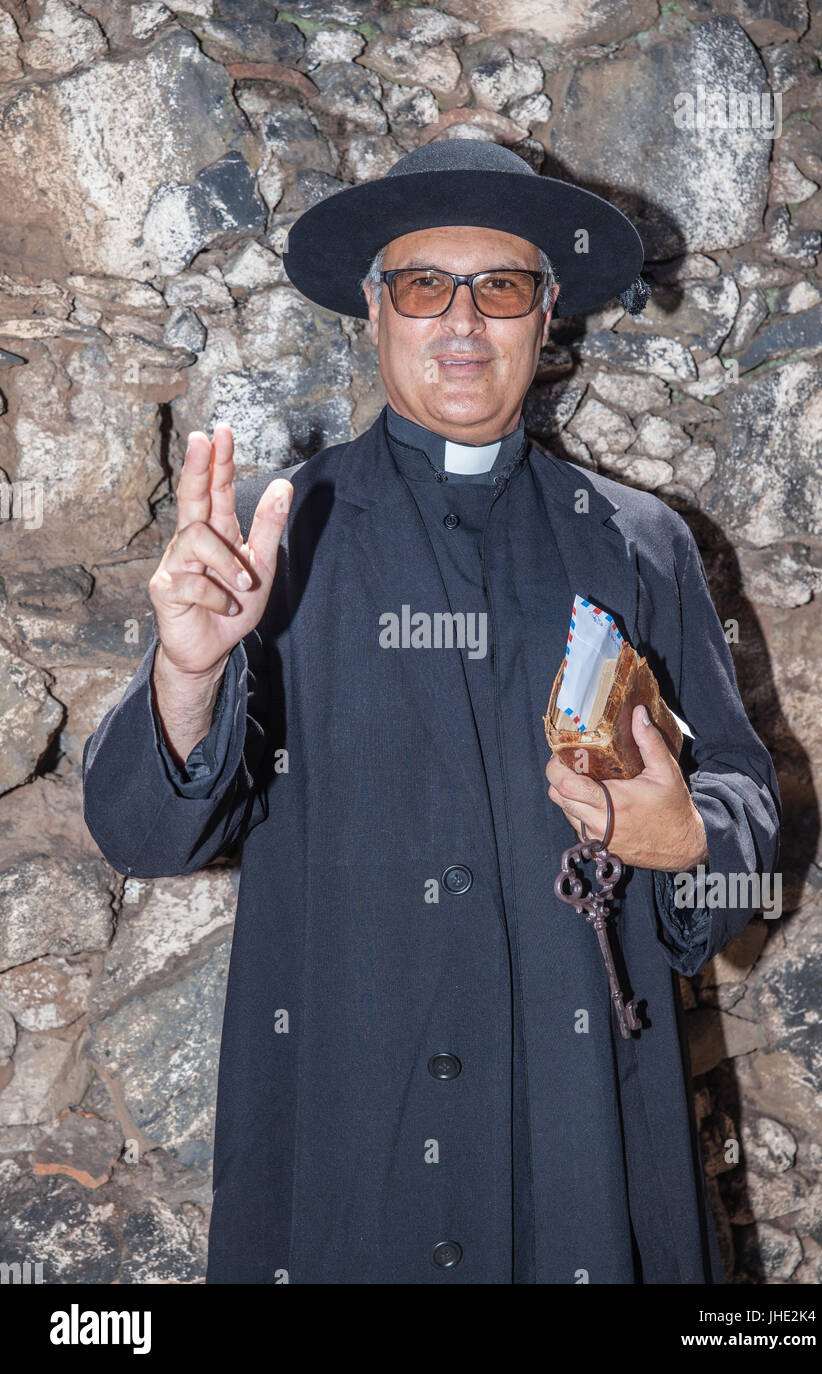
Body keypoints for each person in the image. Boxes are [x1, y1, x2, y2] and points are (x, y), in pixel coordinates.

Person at [82, 138, 781, 1284]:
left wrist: (688, 837)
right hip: (349, 1126)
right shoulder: (270, 537)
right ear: (374, 312)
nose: (462, 321)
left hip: (576, 1127)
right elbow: (143, 834)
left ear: (544, 314)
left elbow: (744, 798)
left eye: (499, 287)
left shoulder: (639, 542)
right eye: (423, 286)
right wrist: (188, 671)